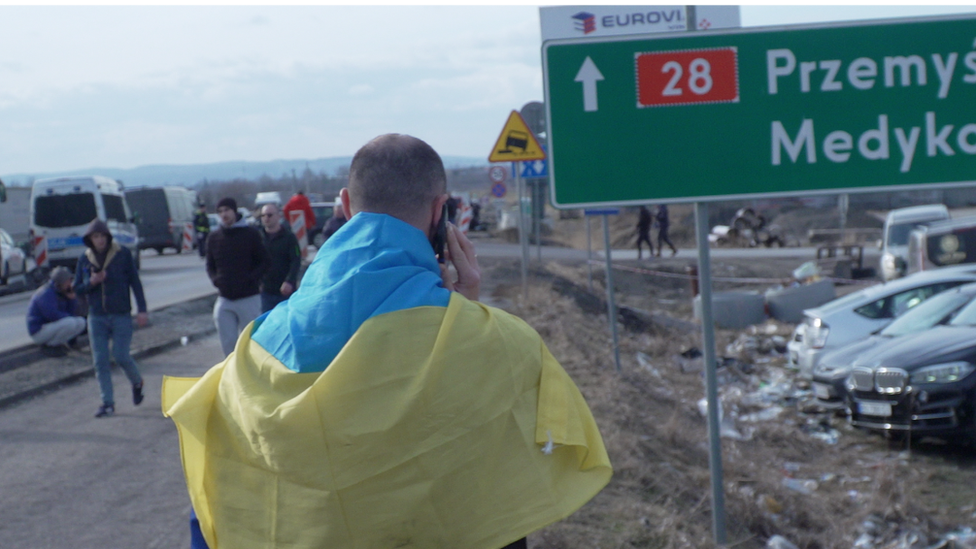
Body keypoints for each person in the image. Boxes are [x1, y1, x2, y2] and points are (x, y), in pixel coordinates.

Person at [164, 134, 612, 549]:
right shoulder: (502, 342)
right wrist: (471, 312)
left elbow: (215, 504)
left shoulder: (255, 347)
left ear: (344, 204)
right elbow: (506, 492)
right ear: (441, 211)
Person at [73, 219, 148, 418]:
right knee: (100, 360)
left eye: (102, 236)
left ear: (108, 237)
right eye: (95, 237)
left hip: (120, 313)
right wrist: (92, 282)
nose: (99, 240)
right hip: (96, 315)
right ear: (90, 239)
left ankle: (137, 381)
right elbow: (77, 288)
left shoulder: (122, 254)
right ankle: (107, 403)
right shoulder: (85, 258)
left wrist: (142, 309)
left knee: (121, 355)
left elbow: (135, 282)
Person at [206, 197, 270, 356]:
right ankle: (231, 374)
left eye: (227, 210)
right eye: (220, 211)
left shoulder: (250, 234)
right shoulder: (214, 237)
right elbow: (210, 265)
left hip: (248, 297)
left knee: (251, 342)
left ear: (234, 211)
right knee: (228, 342)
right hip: (225, 298)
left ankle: (254, 373)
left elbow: (265, 261)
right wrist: (216, 280)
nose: (224, 214)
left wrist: (252, 278)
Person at [26, 266, 87, 357]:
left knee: (80, 322)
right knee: (70, 322)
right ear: (60, 282)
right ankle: (50, 346)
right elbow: (51, 315)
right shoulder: (46, 293)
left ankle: (58, 344)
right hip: (39, 330)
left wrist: (71, 299)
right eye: (68, 281)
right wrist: (68, 317)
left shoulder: (62, 292)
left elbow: (72, 313)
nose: (70, 284)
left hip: (51, 327)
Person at [257, 203, 300, 313]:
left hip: (285, 291)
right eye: (263, 215)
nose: (266, 218)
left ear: (278, 216)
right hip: (265, 291)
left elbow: (296, 260)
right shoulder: (258, 238)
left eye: (270, 215)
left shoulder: (289, 237)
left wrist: (290, 281)